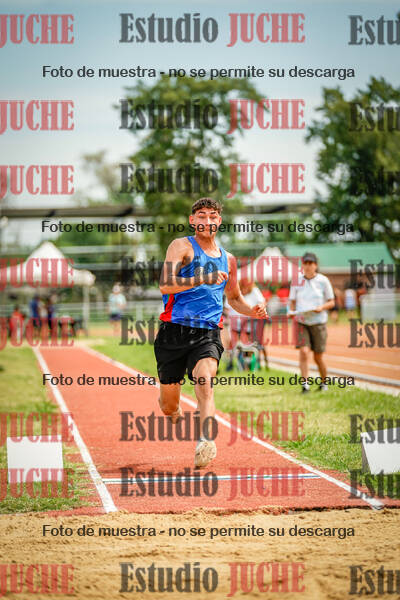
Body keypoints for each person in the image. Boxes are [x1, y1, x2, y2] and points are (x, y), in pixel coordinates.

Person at [154, 198, 269, 468]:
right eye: (202, 216)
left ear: (219, 220)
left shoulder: (228, 259)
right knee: (168, 406)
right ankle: (174, 410)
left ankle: (205, 442)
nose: (207, 221)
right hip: (174, 331)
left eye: (213, 216)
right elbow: (165, 285)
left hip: (208, 332)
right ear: (193, 220)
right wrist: (202, 278)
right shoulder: (181, 246)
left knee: (205, 380)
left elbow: (235, 298)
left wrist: (252, 311)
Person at [288, 252, 335, 394]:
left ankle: (324, 383)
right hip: (302, 321)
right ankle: (305, 385)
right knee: (303, 352)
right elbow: (292, 302)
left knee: (318, 356)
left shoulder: (323, 281)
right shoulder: (296, 281)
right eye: (305, 263)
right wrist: (291, 312)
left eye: (311, 263)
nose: (308, 266)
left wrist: (321, 307)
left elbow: (331, 302)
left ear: (316, 265)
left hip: (318, 322)